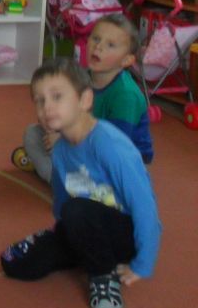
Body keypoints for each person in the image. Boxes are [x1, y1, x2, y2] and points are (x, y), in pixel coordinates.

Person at [0, 58, 161, 308]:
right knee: (16, 264)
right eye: (39, 100)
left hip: (122, 233)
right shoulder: (61, 149)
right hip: (84, 222)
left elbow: (144, 205)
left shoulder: (108, 144)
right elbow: (62, 195)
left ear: (85, 100)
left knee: (77, 210)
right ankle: (83, 247)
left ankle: (103, 275)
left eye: (57, 97)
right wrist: (61, 232)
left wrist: (143, 263)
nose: (47, 107)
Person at [21, 14, 152, 182]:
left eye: (110, 45)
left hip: (119, 159)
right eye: (96, 38)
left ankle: (65, 178)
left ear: (126, 60)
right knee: (32, 133)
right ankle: (61, 173)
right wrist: (53, 124)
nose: (98, 47)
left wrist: (64, 139)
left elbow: (115, 144)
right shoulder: (81, 77)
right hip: (84, 143)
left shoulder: (126, 95)